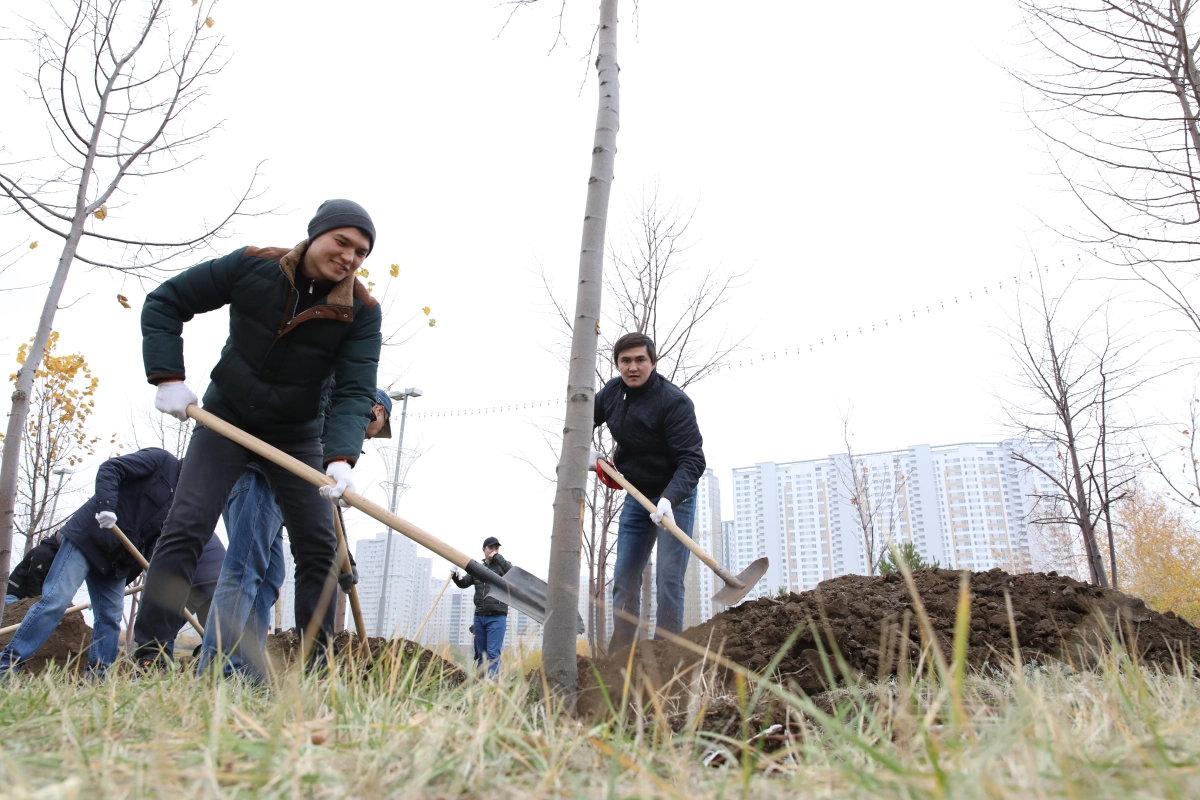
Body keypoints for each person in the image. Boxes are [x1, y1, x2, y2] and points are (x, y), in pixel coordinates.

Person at [135, 199, 383, 668]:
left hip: (296, 433)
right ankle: (146, 656)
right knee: (186, 526)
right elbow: (167, 301)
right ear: (315, 234)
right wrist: (167, 376)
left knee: (319, 550)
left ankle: (318, 670)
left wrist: (340, 458)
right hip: (226, 418)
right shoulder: (253, 266)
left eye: (362, 252)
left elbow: (354, 389)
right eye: (342, 242)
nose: (350, 257)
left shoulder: (362, 312)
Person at [197, 388, 391, 680]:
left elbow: (323, 492)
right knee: (244, 570)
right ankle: (218, 672)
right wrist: (341, 553)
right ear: (377, 411)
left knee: (269, 578)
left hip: (272, 484)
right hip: (262, 475)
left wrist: (343, 555)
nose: (367, 438)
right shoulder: (339, 416)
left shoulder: (335, 421)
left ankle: (247, 673)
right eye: (373, 432)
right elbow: (321, 482)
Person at [0, 448, 182, 675]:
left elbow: (150, 546)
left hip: (116, 562)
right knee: (55, 601)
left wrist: (133, 574)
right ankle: (8, 665)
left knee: (111, 617)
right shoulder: (161, 461)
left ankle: (99, 676)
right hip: (90, 537)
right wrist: (106, 505)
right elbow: (111, 468)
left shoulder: (181, 503)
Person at [591, 332, 706, 653]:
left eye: (640, 359)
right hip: (636, 494)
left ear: (653, 362)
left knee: (668, 580)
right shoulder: (613, 394)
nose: (633, 367)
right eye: (625, 361)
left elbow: (692, 460)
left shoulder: (674, 402)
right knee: (625, 580)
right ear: (617, 365)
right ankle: (620, 658)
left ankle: (665, 655)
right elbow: (584, 417)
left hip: (674, 497)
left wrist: (669, 498)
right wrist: (584, 451)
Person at [451, 536, 510, 677]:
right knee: (481, 655)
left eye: (496, 548)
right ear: (484, 549)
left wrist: (498, 557)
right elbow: (464, 583)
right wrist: (456, 576)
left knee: (493, 654)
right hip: (479, 616)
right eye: (491, 548)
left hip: (497, 616)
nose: (493, 551)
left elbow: (511, 573)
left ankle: (492, 686)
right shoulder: (478, 569)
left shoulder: (502, 568)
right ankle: (481, 686)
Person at [6, 530, 64, 604]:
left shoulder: (56, 556)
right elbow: (34, 578)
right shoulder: (44, 552)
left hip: (22, 597)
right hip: (14, 595)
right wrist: (35, 601)